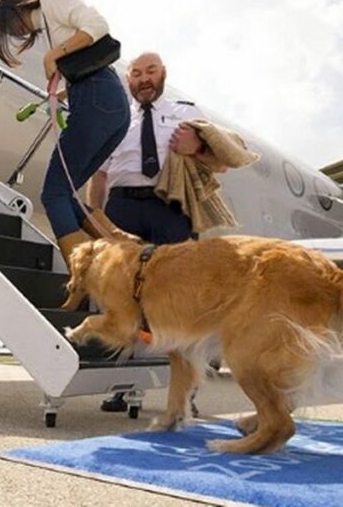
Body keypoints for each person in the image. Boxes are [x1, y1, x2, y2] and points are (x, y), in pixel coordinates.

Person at [87, 51, 223, 413]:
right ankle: (120, 385)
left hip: (170, 208)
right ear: (128, 79)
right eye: (136, 73)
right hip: (122, 208)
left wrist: (196, 147)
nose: (143, 79)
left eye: (150, 71)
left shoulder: (185, 112)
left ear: (163, 74)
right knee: (121, 299)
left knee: (180, 301)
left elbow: (220, 160)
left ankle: (185, 391)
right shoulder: (114, 120)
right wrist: (97, 222)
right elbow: (98, 176)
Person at [0, 0, 130, 266]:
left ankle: (83, 277)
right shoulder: (50, 27)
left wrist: (54, 55)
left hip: (96, 98)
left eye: (9, 26)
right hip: (109, 105)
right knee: (66, 195)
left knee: (53, 194)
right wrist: (61, 93)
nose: (16, 33)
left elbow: (97, 26)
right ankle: (124, 249)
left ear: (16, 10)